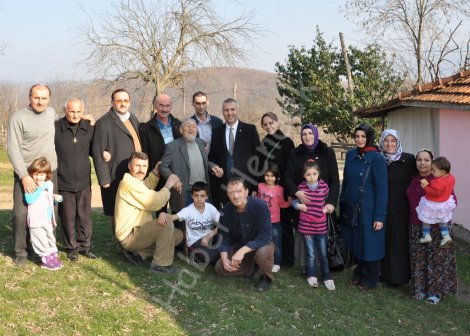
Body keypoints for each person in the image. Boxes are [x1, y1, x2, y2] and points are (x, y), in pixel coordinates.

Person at [7, 84, 58, 267]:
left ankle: (43, 250)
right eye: (37, 98)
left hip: (49, 175)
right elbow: (13, 148)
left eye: (44, 98)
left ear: (49, 99)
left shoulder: (52, 113)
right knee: (20, 214)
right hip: (27, 173)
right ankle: (21, 251)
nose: (40, 101)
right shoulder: (18, 117)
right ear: (29, 97)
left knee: (47, 214)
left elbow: (66, 121)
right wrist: (24, 176)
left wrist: (85, 117)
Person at [114, 152, 183, 274]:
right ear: (130, 166)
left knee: (178, 236)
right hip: (130, 236)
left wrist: (155, 172)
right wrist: (168, 186)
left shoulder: (134, 181)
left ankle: (139, 254)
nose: (141, 170)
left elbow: (146, 187)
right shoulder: (127, 183)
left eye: (144, 166)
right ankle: (160, 265)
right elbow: (155, 201)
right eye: (137, 166)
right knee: (166, 224)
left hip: (139, 232)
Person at [339, 124, 388, 290]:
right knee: (356, 241)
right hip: (352, 207)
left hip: (369, 209)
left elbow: (382, 190)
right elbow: (345, 182)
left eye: (363, 136)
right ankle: (359, 272)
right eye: (357, 136)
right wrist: (342, 202)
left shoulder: (377, 158)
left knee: (370, 244)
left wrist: (379, 216)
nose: (359, 139)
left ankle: (370, 278)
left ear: (369, 138)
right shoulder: (351, 155)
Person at [284, 123, 339, 268]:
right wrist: (296, 192)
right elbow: (288, 177)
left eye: (310, 133)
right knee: (305, 235)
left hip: (323, 203)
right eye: (304, 134)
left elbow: (334, 180)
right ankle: (307, 266)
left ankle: (324, 266)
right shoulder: (295, 153)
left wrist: (332, 202)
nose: (307, 136)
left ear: (315, 134)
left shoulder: (327, 152)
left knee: (322, 237)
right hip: (304, 203)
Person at [406, 149, 457, 304]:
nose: (422, 163)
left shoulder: (440, 179)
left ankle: (435, 293)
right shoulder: (413, 179)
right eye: (419, 159)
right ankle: (419, 290)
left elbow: (452, 201)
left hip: (436, 227)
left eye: (426, 160)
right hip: (416, 225)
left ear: (432, 162)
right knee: (418, 259)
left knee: (436, 260)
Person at [92, 89, 141, 233]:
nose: (122, 104)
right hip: (115, 175)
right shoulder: (104, 122)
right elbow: (97, 151)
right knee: (116, 211)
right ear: (112, 102)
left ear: (130, 102)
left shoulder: (133, 119)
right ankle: (121, 245)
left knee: (132, 210)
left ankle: (133, 241)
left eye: (125, 101)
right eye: (119, 101)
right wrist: (103, 178)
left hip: (134, 174)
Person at [55, 98, 97, 261]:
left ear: (83, 111)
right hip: (63, 181)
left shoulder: (89, 128)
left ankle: (85, 246)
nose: (75, 114)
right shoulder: (56, 127)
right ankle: (71, 248)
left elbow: (96, 149)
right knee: (67, 216)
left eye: (79, 111)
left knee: (85, 216)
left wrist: (105, 153)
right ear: (65, 110)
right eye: (72, 111)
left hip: (84, 181)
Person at [215, 178, 275, 292]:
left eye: (239, 191)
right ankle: (251, 267)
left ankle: (266, 277)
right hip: (240, 245)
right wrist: (224, 258)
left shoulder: (260, 206)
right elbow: (224, 237)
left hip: (261, 244)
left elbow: (265, 236)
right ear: (228, 195)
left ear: (246, 192)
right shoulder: (226, 211)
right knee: (220, 268)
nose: (236, 196)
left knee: (263, 254)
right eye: (232, 192)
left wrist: (241, 251)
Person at [159, 118, 223, 216]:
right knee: (185, 224)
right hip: (186, 192)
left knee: (205, 222)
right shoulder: (172, 146)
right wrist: (174, 180)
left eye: (194, 126)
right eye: (188, 126)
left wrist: (213, 166)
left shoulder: (201, 143)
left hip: (203, 190)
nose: (191, 129)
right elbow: (163, 166)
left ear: (197, 130)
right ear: (181, 130)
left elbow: (203, 161)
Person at [378, 129, 416, 286]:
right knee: (385, 240)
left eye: (393, 140)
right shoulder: (378, 160)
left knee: (400, 242)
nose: (389, 144)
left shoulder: (408, 159)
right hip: (383, 208)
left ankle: (400, 277)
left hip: (402, 208)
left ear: (398, 142)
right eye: (386, 140)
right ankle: (384, 274)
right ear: (382, 142)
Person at [208, 98, 261, 208]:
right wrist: (215, 168)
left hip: (246, 185)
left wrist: (255, 186)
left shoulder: (250, 130)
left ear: (238, 111)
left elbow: (258, 159)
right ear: (222, 112)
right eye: (226, 110)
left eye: (233, 109)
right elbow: (212, 157)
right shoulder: (217, 132)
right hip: (224, 187)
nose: (230, 113)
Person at [259, 112, 296, 268]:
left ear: (277, 123)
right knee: (270, 226)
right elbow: (260, 167)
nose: (269, 126)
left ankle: (287, 259)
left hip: (283, 189)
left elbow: (290, 167)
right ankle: (270, 256)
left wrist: (288, 190)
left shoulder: (287, 142)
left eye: (271, 123)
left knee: (285, 226)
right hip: (267, 189)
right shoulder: (264, 142)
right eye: (265, 124)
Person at [292, 160, 335, 290]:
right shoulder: (301, 188)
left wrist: (327, 208)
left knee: (322, 253)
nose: (311, 177)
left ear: (318, 174)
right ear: (304, 176)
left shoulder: (324, 187)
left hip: (321, 227)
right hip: (307, 228)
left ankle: (327, 277)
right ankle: (312, 275)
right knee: (310, 253)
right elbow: (294, 202)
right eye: (308, 174)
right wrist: (299, 206)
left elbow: (329, 200)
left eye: (314, 174)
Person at [159, 182, 221, 265]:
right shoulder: (188, 210)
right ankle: (201, 256)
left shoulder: (210, 208)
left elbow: (222, 224)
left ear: (206, 196)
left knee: (224, 243)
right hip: (194, 242)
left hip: (209, 238)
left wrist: (209, 235)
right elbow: (173, 217)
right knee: (213, 257)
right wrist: (162, 214)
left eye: (202, 196)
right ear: (192, 196)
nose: (199, 199)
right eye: (196, 195)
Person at [24, 157, 63, 271]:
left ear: (47, 175)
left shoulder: (49, 184)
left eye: (42, 175)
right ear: (31, 174)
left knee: (49, 237)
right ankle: (45, 259)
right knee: (39, 238)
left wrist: (56, 199)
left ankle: (52, 255)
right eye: (36, 174)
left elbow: (47, 200)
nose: (38, 177)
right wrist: (40, 189)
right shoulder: (31, 185)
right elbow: (30, 200)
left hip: (47, 219)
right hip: (36, 220)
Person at [140, 94, 182, 185]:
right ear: (155, 106)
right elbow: (145, 154)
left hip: (178, 173)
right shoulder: (146, 129)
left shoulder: (179, 125)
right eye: (161, 105)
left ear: (171, 106)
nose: (164, 109)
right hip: (157, 175)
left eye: (167, 106)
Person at [257, 163, 291, 273]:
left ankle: (277, 263)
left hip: (275, 222)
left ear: (277, 177)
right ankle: (263, 260)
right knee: (262, 241)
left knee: (276, 242)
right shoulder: (260, 186)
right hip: (262, 221)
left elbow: (281, 204)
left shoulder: (279, 189)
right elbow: (259, 199)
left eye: (272, 176)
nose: (269, 178)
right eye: (267, 175)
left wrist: (289, 202)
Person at [416, 156, 456, 246]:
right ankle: (445, 236)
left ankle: (426, 235)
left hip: (433, 202)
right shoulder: (451, 177)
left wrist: (426, 187)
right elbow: (444, 189)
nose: (432, 172)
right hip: (444, 202)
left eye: (434, 171)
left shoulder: (437, 182)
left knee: (426, 218)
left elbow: (435, 192)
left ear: (442, 172)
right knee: (442, 219)